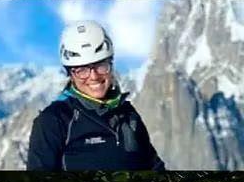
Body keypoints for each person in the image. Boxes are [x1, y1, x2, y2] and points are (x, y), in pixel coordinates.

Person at [26, 20, 164, 171]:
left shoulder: (128, 114)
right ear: (71, 74)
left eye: (100, 65)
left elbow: (154, 167)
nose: (94, 77)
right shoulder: (54, 120)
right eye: (82, 70)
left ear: (111, 65)